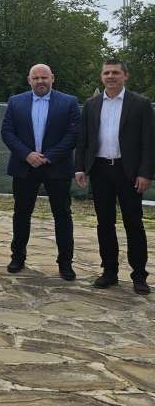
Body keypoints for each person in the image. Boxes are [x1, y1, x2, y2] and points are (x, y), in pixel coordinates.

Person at [75, 60, 153, 295]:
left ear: (125, 76)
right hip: (100, 171)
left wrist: (145, 173)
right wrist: (80, 168)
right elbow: (83, 139)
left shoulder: (140, 104)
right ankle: (109, 271)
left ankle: (139, 275)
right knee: (104, 223)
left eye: (115, 72)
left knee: (134, 224)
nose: (111, 76)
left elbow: (149, 142)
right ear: (101, 77)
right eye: (106, 73)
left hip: (128, 173)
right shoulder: (91, 104)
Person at [1, 64, 80, 280]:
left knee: (62, 215)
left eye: (44, 77)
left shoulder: (69, 102)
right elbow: (7, 132)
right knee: (21, 214)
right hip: (24, 166)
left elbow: (73, 134)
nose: (40, 81)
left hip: (57, 166)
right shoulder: (15, 102)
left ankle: (65, 263)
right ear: (29, 80)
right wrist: (27, 154)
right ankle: (18, 257)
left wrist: (48, 156)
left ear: (52, 78)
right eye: (35, 78)